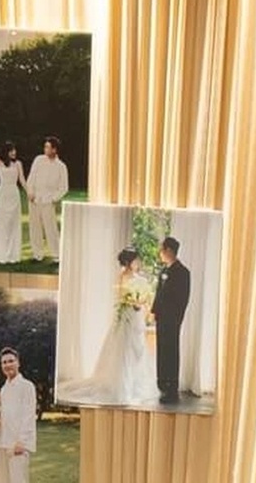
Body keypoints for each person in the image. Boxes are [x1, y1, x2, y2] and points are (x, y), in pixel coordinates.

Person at [60, 247, 160, 408]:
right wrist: (133, 302)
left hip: (136, 317)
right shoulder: (122, 276)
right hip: (127, 315)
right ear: (128, 261)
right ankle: (123, 387)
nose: (138, 262)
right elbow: (122, 297)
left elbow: (144, 297)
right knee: (124, 349)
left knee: (138, 349)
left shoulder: (139, 278)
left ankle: (137, 384)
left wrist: (142, 302)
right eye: (135, 260)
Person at [0, 345, 38, 483]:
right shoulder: (3, 389)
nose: (7, 365)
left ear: (18, 363)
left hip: (18, 445)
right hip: (3, 444)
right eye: (4, 362)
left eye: (11, 361)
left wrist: (22, 441)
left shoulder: (27, 386)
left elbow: (29, 416)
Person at [152, 235, 193, 405]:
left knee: (171, 352)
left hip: (172, 320)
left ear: (169, 250)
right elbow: (159, 293)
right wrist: (154, 311)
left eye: (162, 250)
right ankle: (162, 384)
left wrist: (176, 317)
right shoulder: (163, 271)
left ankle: (171, 388)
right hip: (161, 318)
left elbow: (183, 298)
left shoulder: (183, 272)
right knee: (161, 351)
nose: (160, 253)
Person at [26, 136, 70, 262]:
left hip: (48, 200)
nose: (45, 149)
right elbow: (31, 177)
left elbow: (64, 187)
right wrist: (30, 192)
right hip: (35, 198)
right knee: (35, 227)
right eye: (45, 147)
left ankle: (56, 254)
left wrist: (53, 199)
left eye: (48, 147)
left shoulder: (61, 166)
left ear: (54, 149)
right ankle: (37, 254)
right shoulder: (38, 160)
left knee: (51, 228)